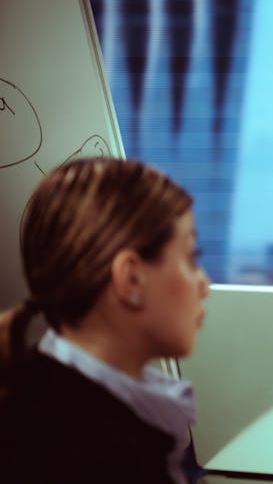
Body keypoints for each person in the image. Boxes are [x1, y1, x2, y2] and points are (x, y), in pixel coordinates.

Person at [0, 157, 210, 484]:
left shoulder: (39, 396)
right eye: (191, 257)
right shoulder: (91, 458)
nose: (204, 284)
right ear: (131, 279)